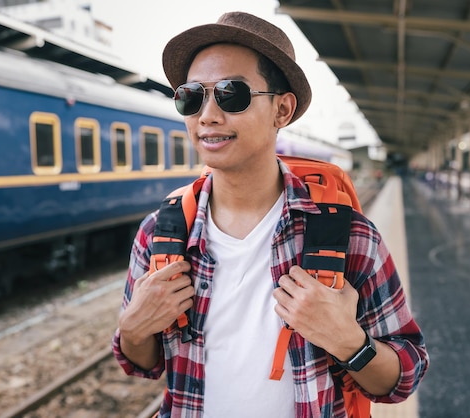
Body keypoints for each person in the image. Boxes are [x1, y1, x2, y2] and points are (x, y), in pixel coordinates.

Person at [112, 11, 428, 417]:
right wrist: (133, 329)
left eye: (231, 93)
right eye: (191, 96)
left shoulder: (351, 237)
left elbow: (406, 374)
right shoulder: (160, 233)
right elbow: (140, 362)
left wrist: (349, 341)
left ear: (282, 110)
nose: (207, 114)